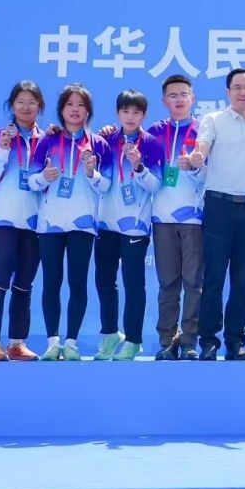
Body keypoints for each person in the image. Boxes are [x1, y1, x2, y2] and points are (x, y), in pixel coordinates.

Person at [190, 68, 245, 360]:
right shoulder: (214, 120)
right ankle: (208, 341)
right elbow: (202, 148)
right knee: (214, 276)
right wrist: (197, 157)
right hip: (218, 205)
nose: (243, 92)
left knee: (242, 280)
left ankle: (236, 340)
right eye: (237, 87)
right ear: (227, 92)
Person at [29, 84, 112, 361]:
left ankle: (72, 342)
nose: (75, 109)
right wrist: (44, 178)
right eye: (69, 104)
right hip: (50, 224)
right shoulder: (47, 141)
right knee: (51, 283)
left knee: (78, 283)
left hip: (82, 225)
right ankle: (53, 342)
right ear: (61, 109)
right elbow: (31, 181)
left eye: (80, 104)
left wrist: (91, 173)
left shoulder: (99, 143)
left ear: (88, 110)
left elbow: (106, 186)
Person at [93, 90, 163, 360]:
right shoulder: (106, 140)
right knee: (104, 282)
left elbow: (155, 185)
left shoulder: (152, 144)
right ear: (117, 113)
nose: (130, 117)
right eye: (125, 111)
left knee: (133, 284)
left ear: (144, 115)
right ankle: (110, 334)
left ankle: (133, 340)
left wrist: (138, 166)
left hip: (135, 225)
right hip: (106, 223)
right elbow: (101, 183)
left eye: (136, 112)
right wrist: (91, 171)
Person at [0, 80, 45, 361]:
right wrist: (3, 150)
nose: (26, 107)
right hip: (4, 220)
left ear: (40, 107)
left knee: (24, 284)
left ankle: (17, 343)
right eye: (21, 102)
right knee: (0, 280)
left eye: (32, 102)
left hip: (36, 222)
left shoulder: (47, 140)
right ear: (12, 105)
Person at [147, 74, 206, 360]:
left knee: (194, 283)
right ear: (164, 101)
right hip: (162, 218)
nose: (179, 99)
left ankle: (190, 341)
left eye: (184, 94)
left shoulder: (204, 131)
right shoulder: (154, 132)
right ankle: (167, 341)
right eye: (173, 95)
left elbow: (212, 175)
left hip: (194, 219)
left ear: (192, 98)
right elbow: (146, 176)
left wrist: (195, 167)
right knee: (168, 284)